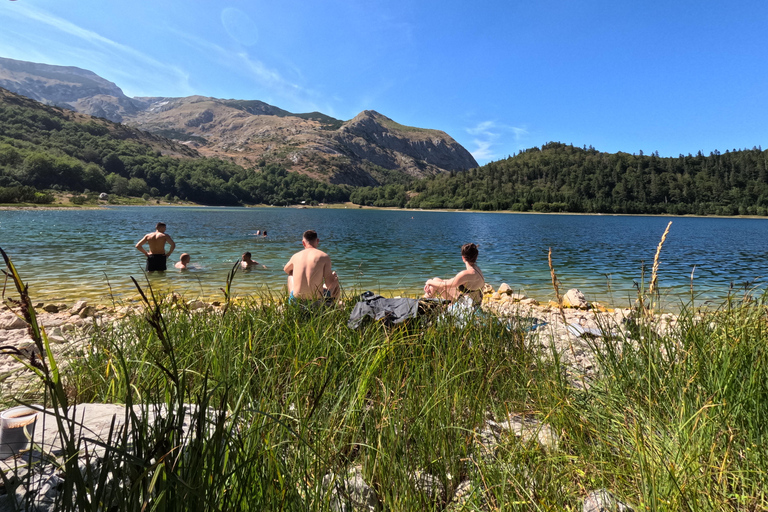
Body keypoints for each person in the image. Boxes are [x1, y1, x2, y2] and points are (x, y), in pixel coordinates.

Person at [283, 230, 340, 301]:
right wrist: (334, 280)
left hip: (296, 302)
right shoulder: (324, 256)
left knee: (291, 273)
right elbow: (328, 284)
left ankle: (292, 299)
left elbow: (286, 269)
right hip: (317, 302)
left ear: (303, 243)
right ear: (317, 241)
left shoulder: (296, 256)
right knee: (335, 277)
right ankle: (335, 305)